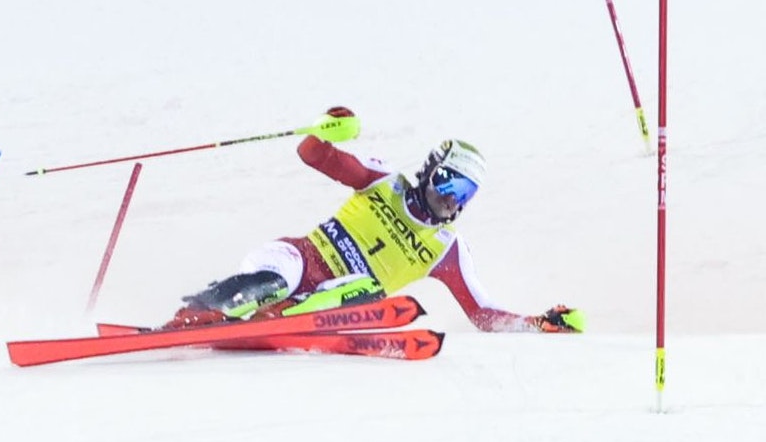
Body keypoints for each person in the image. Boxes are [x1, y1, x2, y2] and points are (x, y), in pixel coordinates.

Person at [168, 107, 585, 333]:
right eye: (447, 183)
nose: (448, 198)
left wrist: (538, 324)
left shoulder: (447, 249)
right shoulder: (384, 182)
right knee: (278, 277)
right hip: (298, 258)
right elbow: (311, 154)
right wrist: (330, 125)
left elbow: (483, 314)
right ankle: (197, 314)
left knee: (365, 287)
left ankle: (280, 317)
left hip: (339, 300)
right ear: (430, 169)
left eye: (463, 194)